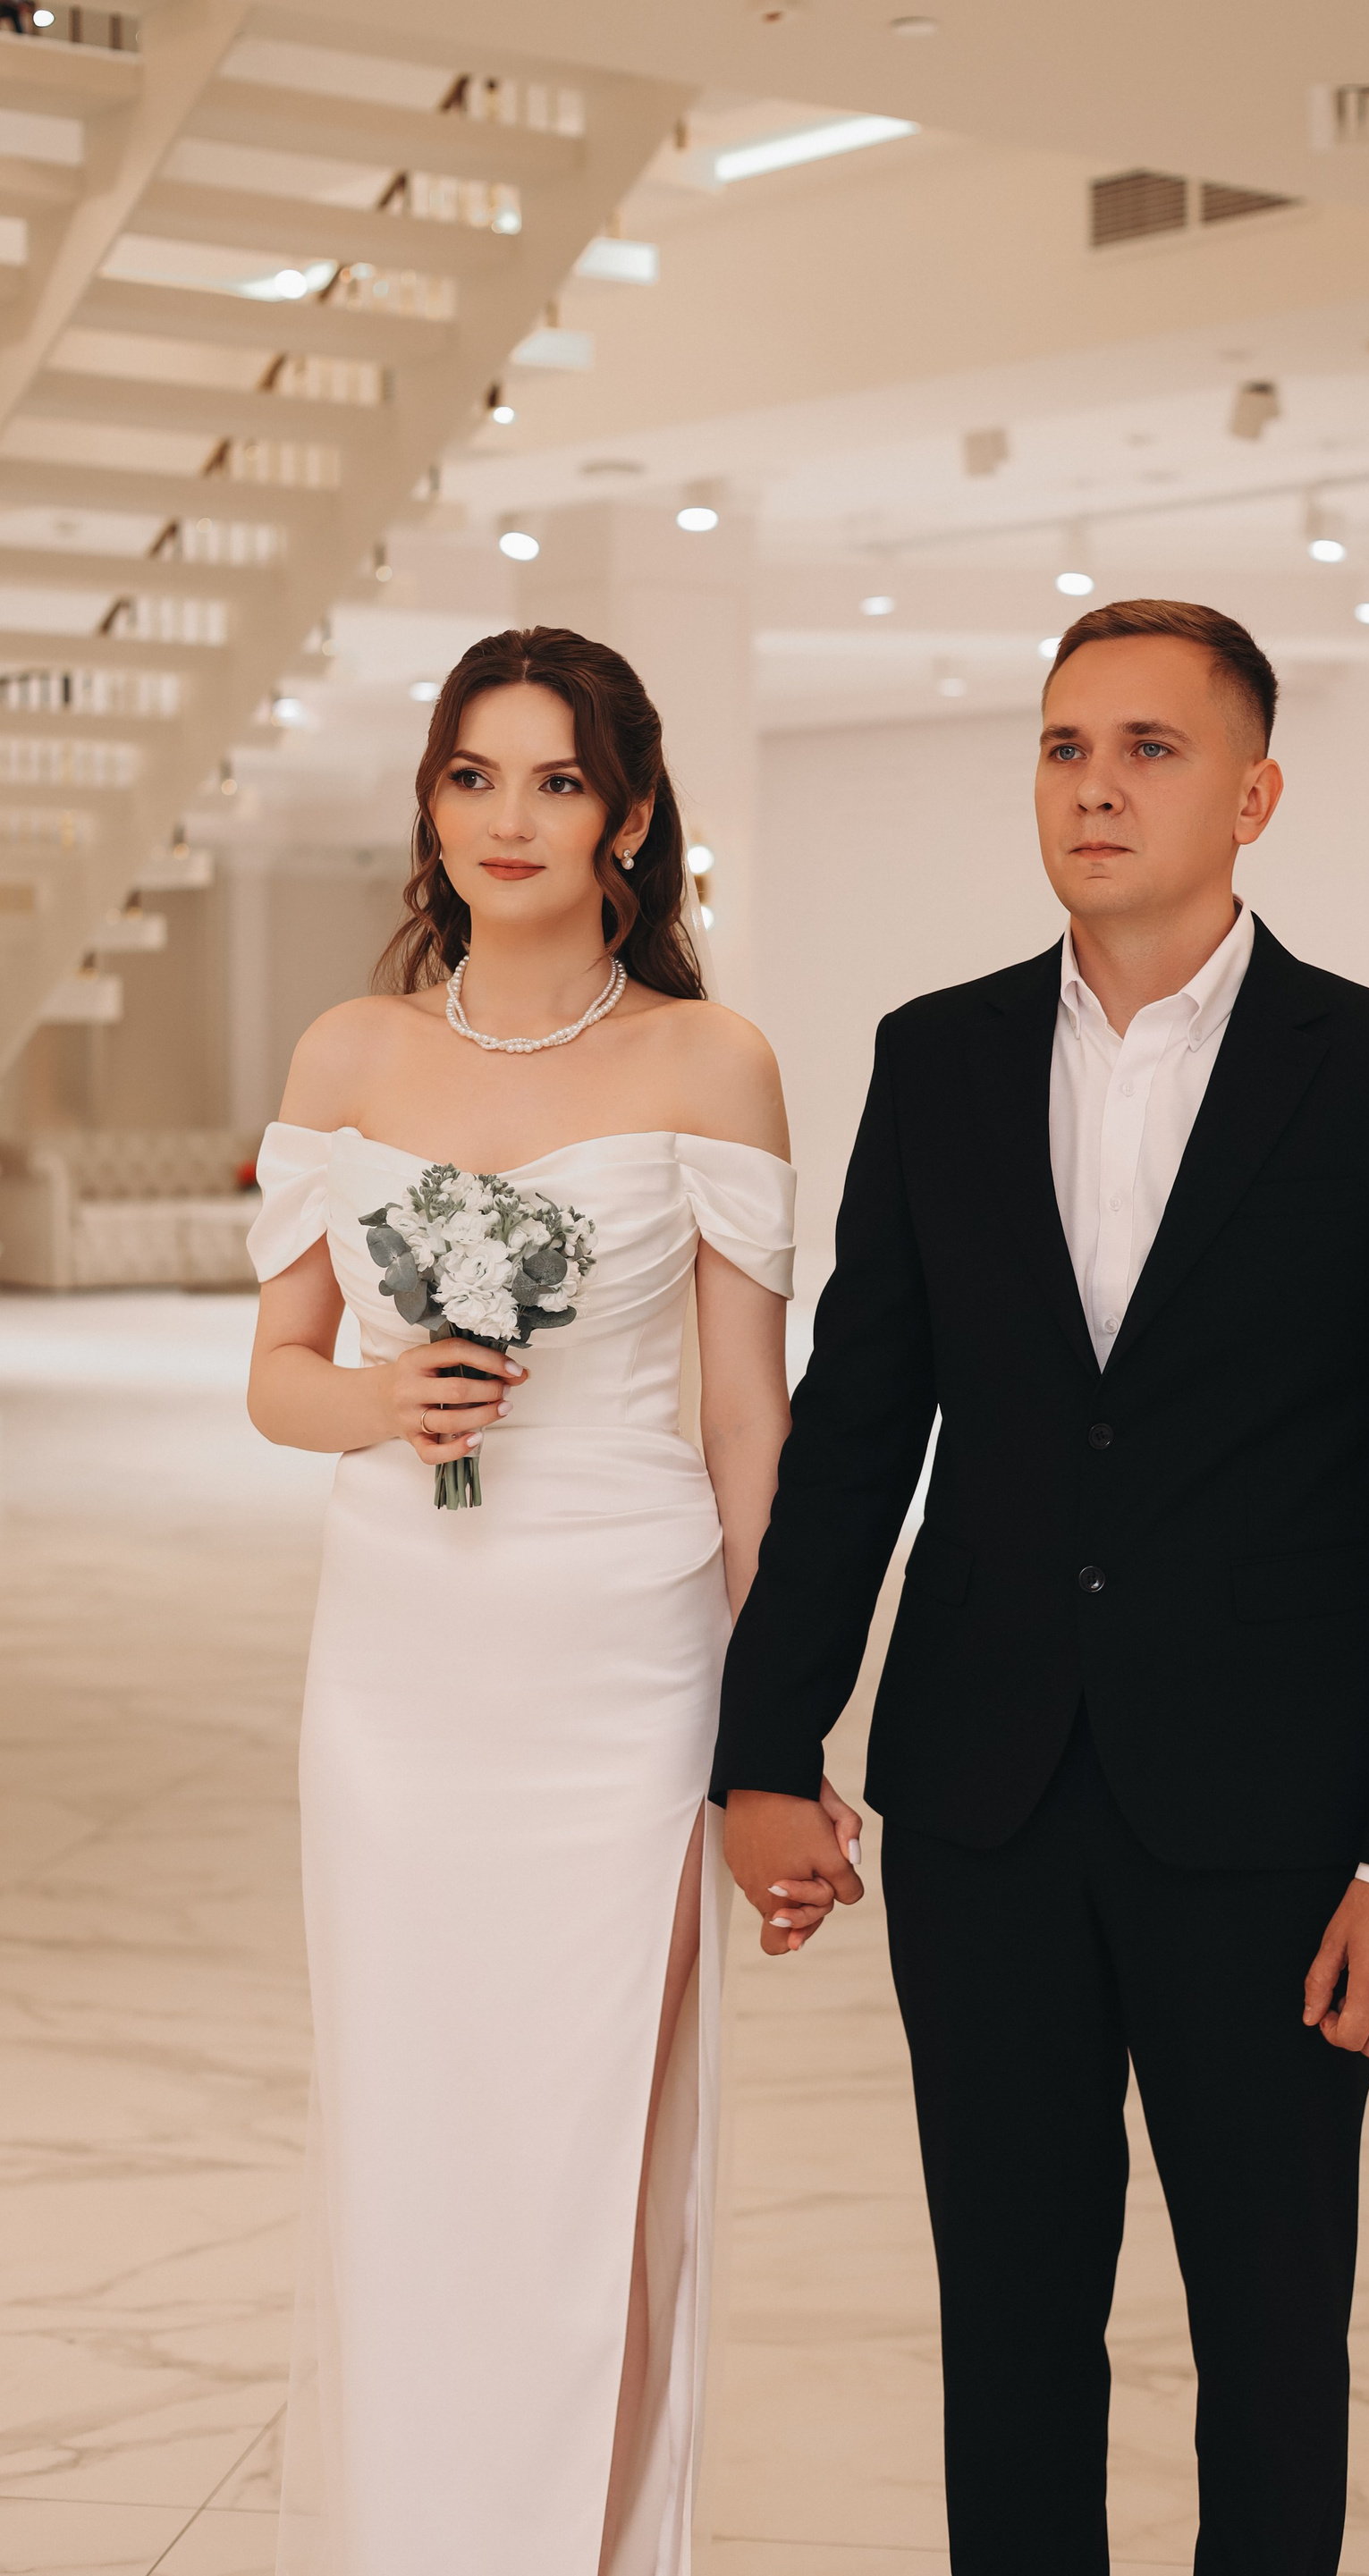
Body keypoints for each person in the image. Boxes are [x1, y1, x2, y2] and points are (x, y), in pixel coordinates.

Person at [711, 598, 1369, 2574]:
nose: (1095, 785)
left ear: (1254, 794)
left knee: (1270, 2333)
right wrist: (766, 1743)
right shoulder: (939, 1057)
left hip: (1278, 1828)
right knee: (1008, 2328)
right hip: (982, 1806)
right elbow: (858, 1429)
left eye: (1151, 748)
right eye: (1066, 745)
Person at [245, 626, 854, 2576]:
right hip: (399, 1665)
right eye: (473, 774)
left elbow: (749, 1424)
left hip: (622, 1657)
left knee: (595, 2149)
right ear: (431, 805)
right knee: (411, 2133)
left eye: (559, 779)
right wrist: (380, 1400)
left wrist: (782, 1731)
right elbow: (279, 1375)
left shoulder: (711, 1061)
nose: (510, 817)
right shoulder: (348, 1053)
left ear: (631, 816)